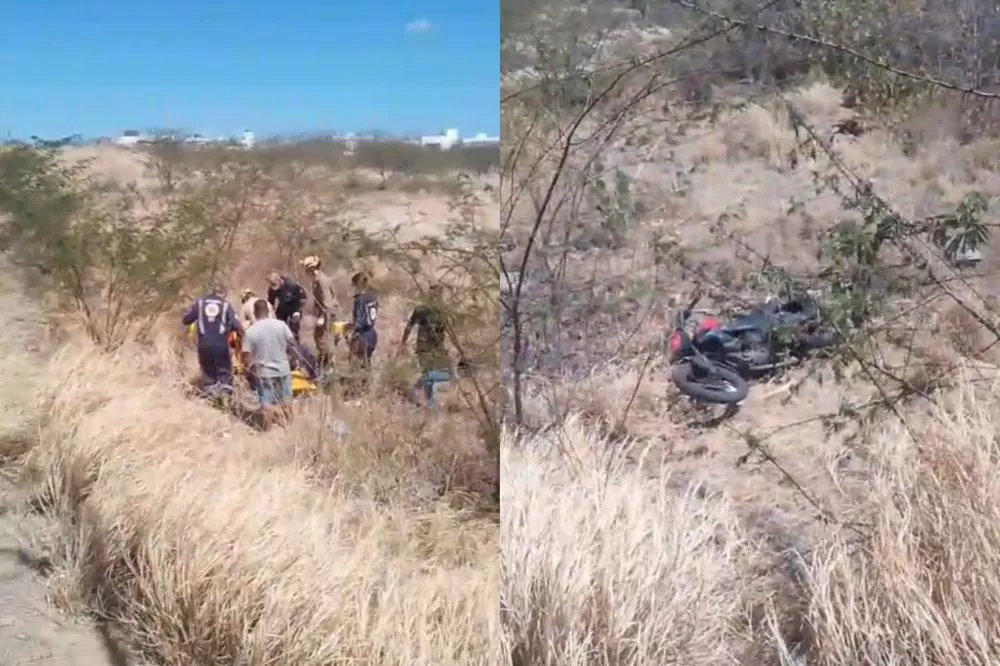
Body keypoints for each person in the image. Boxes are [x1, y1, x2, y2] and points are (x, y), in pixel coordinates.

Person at [241, 299, 295, 428]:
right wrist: (292, 359)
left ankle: (268, 430)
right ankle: (290, 426)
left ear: (254, 312)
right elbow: (292, 343)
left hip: (264, 372)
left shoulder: (251, 331)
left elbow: (246, 355)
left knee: (266, 402)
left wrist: (248, 369)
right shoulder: (281, 325)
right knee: (286, 399)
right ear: (268, 311)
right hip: (283, 369)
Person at [398, 284, 454, 408]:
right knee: (430, 374)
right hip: (426, 348)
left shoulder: (438, 311)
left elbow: (409, 327)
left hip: (433, 348)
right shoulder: (425, 310)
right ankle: (423, 399)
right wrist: (403, 343)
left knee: (431, 375)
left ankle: (422, 398)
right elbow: (409, 326)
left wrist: (403, 343)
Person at [181, 284, 243, 391]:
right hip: (221, 343)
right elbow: (236, 325)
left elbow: (186, 320)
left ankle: (211, 397)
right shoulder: (225, 305)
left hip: (204, 343)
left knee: (208, 373)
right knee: (224, 373)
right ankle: (225, 398)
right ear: (223, 294)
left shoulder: (199, 303)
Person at [299, 255, 340, 369]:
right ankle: (324, 362)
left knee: (324, 339)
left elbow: (327, 302)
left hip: (328, 313)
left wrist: (323, 316)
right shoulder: (316, 280)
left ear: (311, 268)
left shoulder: (322, 281)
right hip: (324, 312)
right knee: (319, 337)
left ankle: (329, 365)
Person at [266, 272, 307, 342]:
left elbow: (302, 299)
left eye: (276, 285)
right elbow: (270, 301)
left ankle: (295, 340)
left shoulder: (292, 285)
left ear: (280, 280)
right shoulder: (272, 289)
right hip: (283, 305)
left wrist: (296, 313)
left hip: (295, 305)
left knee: (294, 324)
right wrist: (270, 313)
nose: (275, 288)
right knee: (278, 323)